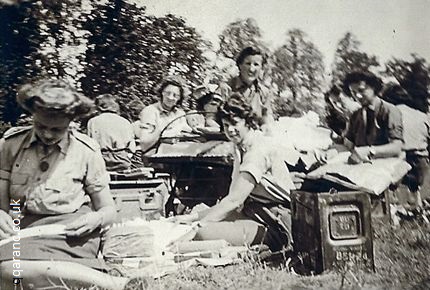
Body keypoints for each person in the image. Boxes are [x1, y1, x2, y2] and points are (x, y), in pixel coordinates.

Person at [0, 79, 143, 290]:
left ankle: (117, 285)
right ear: (33, 116)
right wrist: (3, 214)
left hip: (69, 231)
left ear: (71, 122)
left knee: (12, 273)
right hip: (22, 227)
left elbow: (108, 209)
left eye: (57, 130)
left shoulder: (86, 150)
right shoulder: (11, 145)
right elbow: (5, 201)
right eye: (40, 126)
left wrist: (96, 218)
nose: (47, 135)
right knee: (10, 275)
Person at [171, 93, 302, 251]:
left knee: (202, 232)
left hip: (277, 221)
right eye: (226, 125)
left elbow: (235, 200)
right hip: (255, 212)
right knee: (194, 220)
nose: (230, 130)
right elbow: (231, 199)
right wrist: (193, 217)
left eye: (235, 123)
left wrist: (198, 225)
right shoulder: (240, 147)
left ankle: (271, 243)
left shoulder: (258, 150)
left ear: (248, 122)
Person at [382, 84, 430, 210]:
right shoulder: (421, 115)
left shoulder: (388, 115)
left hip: (399, 159)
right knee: (416, 189)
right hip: (421, 160)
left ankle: (394, 209)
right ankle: (416, 208)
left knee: (393, 191)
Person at [342, 71, 403, 164]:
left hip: (385, 167)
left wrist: (370, 151)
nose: (358, 96)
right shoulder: (355, 115)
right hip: (359, 166)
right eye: (353, 92)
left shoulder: (389, 111)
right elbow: (349, 145)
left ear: (374, 87)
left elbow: (396, 147)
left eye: (361, 90)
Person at [220, 46, 274, 128]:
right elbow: (211, 119)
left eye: (256, 64)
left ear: (261, 68)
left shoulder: (264, 93)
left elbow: (266, 121)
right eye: (248, 64)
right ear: (240, 65)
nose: (252, 69)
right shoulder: (226, 88)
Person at [138, 76, 192, 153]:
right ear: (162, 92)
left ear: (180, 98)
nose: (170, 97)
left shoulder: (180, 114)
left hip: (176, 153)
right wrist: (161, 131)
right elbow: (144, 144)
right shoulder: (150, 111)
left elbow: (187, 133)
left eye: (175, 95)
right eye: (168, 93)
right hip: (154, 155)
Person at [87, 94, 136, 171]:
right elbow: (132, 147)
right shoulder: (125, 122)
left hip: (101, 161)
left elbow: (89, 145)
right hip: (122, 160)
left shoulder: (93, 122)